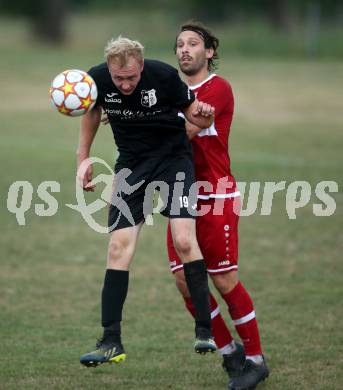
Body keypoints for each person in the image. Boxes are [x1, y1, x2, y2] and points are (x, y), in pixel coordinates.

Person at [77, 36, 218, 367]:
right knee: (117, 248)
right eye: (118, 78)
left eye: (131, 77)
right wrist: (82, 158)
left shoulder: (164, 76)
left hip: (173, 161)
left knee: (185, 240)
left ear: (141, 66)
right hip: (132, 165)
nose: (125, 84)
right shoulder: (96, 78)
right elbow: (91, 111)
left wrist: (206, 114)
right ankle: (111, 341)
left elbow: (199, 119)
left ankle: (205, 330)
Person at [167, 22, 269, 389]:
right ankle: (230, 354)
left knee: (223, 278)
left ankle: (256, 359)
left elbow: (179, 135)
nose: (184, 50)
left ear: (209, 51)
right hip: (181, 194)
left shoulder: (217, 89)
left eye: (193, 44)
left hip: (215, 194)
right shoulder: (171, 92)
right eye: (179, 45)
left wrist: (149, 133)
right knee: (183, 279)